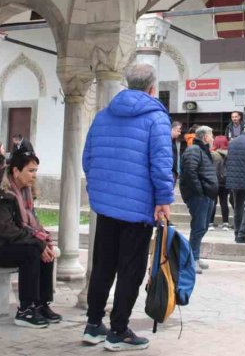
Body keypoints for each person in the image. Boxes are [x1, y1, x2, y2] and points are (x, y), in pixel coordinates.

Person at [81, 63, 173, 351]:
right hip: (137, 209)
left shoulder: (102, 116)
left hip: (106, 206)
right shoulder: (156, 118)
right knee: (130, 270)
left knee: (103, 265)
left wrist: (100, 190)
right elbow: (161, 164)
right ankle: (118, 330)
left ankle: (93, 324)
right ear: (152, 88)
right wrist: (163, 200)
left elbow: (88, 158)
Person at [0, 150, 60, 328]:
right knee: (32, 252)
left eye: (36, 171)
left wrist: (42, 239)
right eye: (31, 171)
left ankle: (41, 305)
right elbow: (6, 229)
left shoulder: (23, 190)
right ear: (16, 171)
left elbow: (29, 221)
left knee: (45, 249)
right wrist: (37, 242)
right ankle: (26, 310)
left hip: (5, 240)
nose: (34, 176)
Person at [179, 125, 218, 274]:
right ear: (206, 137)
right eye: (212, 135)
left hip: (207, 195)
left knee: (203, 227)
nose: (213, 138)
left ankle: (194, 255)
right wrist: (200, 191)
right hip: (199, 196)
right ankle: (191, 259)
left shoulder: (203, 150)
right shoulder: (194, 150)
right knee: (198, 227)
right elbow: (190, 172)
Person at [210, 135, 231, 230]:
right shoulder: (229, 154)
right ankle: (225, 223)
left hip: (213, 181)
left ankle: (210, 223)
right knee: (224, 202)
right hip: (225, 181)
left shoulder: (212, 154)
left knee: (213, 202)